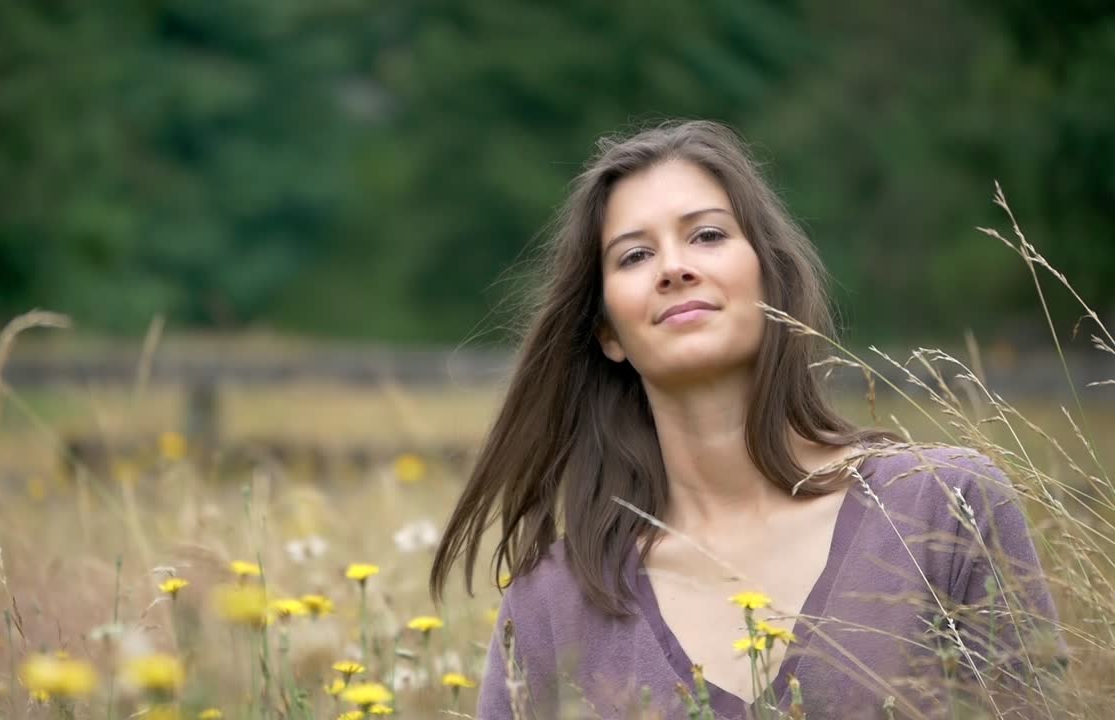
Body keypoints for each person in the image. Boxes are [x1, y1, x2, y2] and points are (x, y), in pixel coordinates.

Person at [428, 120, 1065, 719]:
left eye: (707, 235)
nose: (674, 267)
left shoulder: (943, 507)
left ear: (769, 278)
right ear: (605, 331)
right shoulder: (551, 603)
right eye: (633, 256)